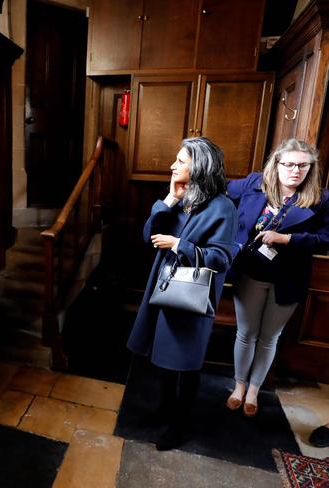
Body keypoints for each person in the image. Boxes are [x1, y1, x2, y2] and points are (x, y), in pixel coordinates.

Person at [127, 137, 239, 451]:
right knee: (163, 357)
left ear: (200, 166)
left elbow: (221, 258)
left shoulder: (223, 207)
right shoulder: (183, 196)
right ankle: (165, 410)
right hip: (164, 287)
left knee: (186, 363)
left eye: (181, 161)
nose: (173, 166)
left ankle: (180, 424)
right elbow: (148, 234)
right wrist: (169, 200)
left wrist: (179, 245)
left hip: (192, 294)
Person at [225, 139, 329, 417]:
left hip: (289, 278)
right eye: (289, 164)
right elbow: (220, 194)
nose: (296, 171)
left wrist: (288, 239)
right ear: (277, 163)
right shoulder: (253, 184)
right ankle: (238, 386)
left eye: (303, 166)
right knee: (246, 334)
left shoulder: (321, 198)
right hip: (250, 272)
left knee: (270, 337)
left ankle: (254, 390)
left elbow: (325, 240)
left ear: (311, 168)